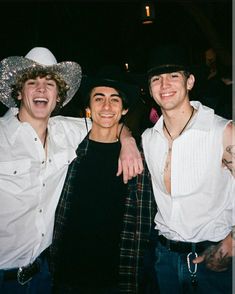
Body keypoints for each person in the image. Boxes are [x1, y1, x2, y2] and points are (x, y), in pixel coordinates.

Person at [0, 47, 143, 294]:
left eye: (50, 84)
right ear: (19, 92)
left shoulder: (67, 130)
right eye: (32, 82)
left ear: (59, 97)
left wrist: (127, 139)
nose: (41, 89)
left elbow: (107, 120)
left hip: (44, 275)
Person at [50, 68, 156, 294]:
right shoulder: (68, 151)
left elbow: (146, 223)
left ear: (125, 108)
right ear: (88, 107)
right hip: (65, 276)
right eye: (99, 99)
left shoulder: (141, 158)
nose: (106, 107)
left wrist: (127, 139)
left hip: (118, 279)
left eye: (114, 100)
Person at [141, 44, 235, 294]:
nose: (164, 85)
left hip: (215, 260)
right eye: (156, 79)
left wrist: (231, 244)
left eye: (174, 76)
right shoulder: (148, 139)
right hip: (165, 260)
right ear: (150, 89)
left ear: (190, 81)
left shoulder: (223, 132)